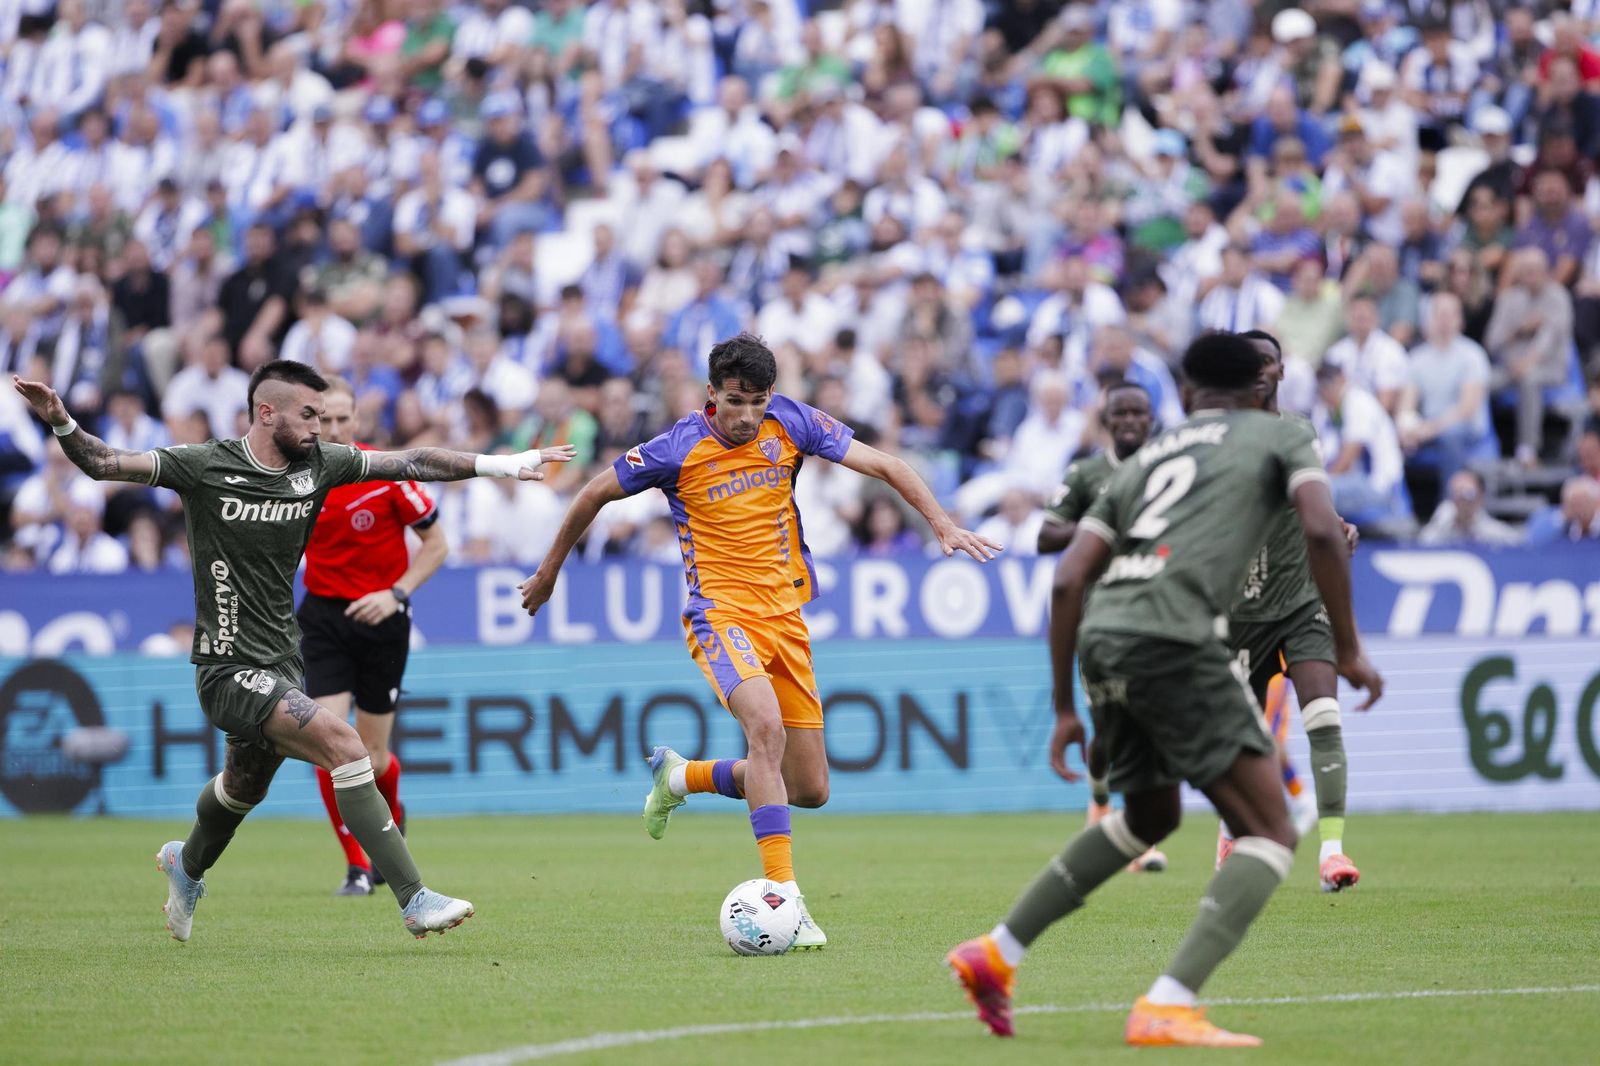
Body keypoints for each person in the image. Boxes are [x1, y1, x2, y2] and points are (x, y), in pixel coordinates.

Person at [10, 363, 575, 942]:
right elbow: (105, 463)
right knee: (345, 743)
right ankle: (413, 897)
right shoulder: (205, 465)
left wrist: (500, 463)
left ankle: (187, 865)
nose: (320, 427)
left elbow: (411, 461)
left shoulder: (321, 465)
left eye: (325, 416)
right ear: (267, 412)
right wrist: (60, 420)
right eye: (309, 415)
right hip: (225, 667)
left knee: (242, 788)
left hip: (283, 662)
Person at [945, 332, 1382, 1048]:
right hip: (1178, 638)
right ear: (1258, 392)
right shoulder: (1283, 435)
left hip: (1105, 637)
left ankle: (996, 952)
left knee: (1147, 817)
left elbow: (1066, 577)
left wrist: (1063, 705)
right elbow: (1325, 534)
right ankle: (1169, 1004)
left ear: (1183, 396)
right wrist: (1351, 646)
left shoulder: (1145, 457)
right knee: (1271, 830)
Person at [516, 334, 1000, 951]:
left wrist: (944, 524)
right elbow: (593, 493)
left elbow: (886, 464)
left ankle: (684, 777)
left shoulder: (792, 422)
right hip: (719, 615)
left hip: (787, 619)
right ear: (711, 394)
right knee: (764, 731)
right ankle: (786, 902)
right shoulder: (676, 447)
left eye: (757, 402)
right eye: (736, 401)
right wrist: (552, 570)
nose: (747, 416)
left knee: (810, 790)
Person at [300, 378, 450, 897]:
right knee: (326, 739)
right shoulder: (296, 477)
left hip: (383, 621)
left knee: (373, 756)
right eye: (325, 419)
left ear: (356, 420)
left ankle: (393, 810)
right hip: (322, 618)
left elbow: (437, 545)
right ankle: (356, 864)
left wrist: (397, 594)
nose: (335, 429)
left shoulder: (386, 472)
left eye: (344, 419)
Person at [1227, 331, 1363, 893]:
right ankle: (1233, 834)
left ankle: (1332, 851)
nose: (1260, 371)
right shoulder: (1219, 439)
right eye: (1248, 363)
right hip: (1239, 612)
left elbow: (1314, 504)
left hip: (1302, 603)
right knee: (1243, 741)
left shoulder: (1300, 431)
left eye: (1268, 362)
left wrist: (1337, 525)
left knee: (1323, 719)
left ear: (1282, 371)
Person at [1035, 380, 1166, 875]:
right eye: (1122, 413)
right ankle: (1099, 805)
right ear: (1107, 421)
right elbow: (1046, 536)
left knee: (1150, 725)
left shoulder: (1167, 471)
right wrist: (1103, 527)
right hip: (1099, 618)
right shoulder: (1088, 473)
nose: (1131, 420)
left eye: (1140, 412)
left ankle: (1141, 835)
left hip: (1157, 614)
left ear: (1151, 418)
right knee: (1110, 729)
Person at [1417, 469, 1524, 547]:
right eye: (1456, 493)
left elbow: (1518, 545)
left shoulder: (1492, 531)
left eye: (1468, 493)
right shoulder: (1441, 526)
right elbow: (1422, 544)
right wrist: (1440, 521)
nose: (1462, 501)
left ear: (1480, 497)